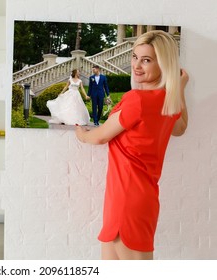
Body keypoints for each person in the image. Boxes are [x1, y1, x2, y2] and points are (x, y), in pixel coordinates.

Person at [75, 30, 189, 260]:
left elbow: (99, 137)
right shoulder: (167, 103)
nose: (137, 65)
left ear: (164, 63)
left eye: (146, 60)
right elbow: (181, 127)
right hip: (140, 198)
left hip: (126, 200)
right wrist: (180, 87)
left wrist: (80, 133)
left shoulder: (137, 100)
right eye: (135, 57)